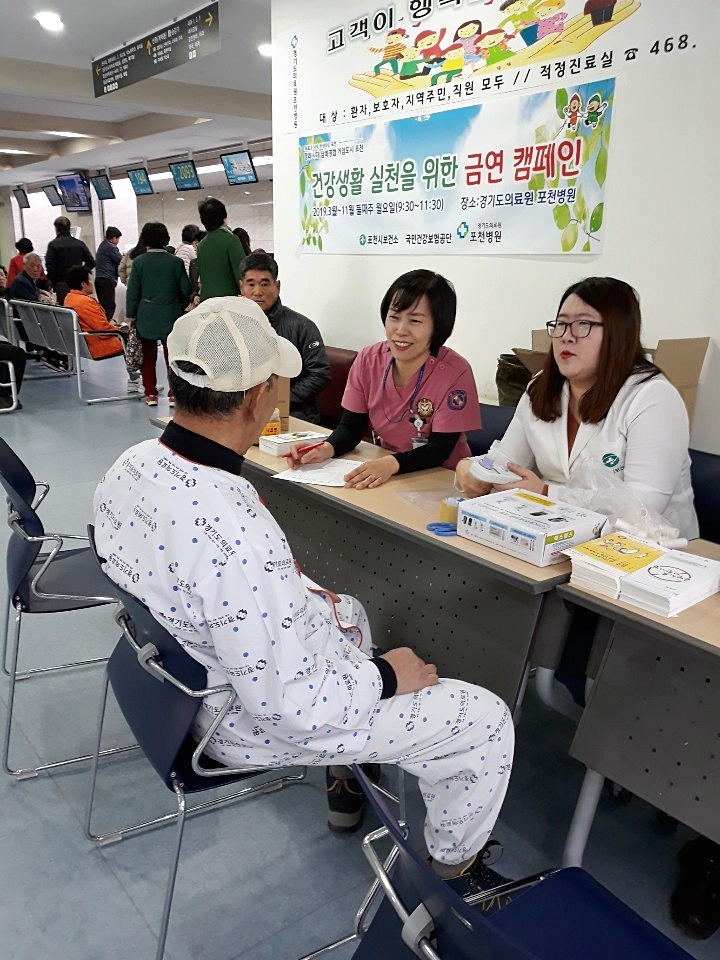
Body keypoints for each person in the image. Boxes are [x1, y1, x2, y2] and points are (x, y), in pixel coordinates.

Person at [93, 296, 514, 887]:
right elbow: (292, 705)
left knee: (352, 612)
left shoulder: (132, 464)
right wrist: (388, 676)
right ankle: (450, 879)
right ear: (255, 396)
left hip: (175, 682)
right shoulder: (237, 536)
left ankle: (348, 771)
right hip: (240, 721)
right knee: (487, 720)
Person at [454, 276, 698, 539]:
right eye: (561, 324)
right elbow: (506, 465)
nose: (566, 337)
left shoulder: (653, 397)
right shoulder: (542, 387)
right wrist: (472, 470)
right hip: (561, 538)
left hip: (650, 555)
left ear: (619, 333)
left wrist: (546, 494)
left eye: (583, 324)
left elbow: (642, 511)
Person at [290, 269, 480, 487]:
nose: (400, 330)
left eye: (415, 321)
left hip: (441, 480)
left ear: (438, 326)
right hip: (388, 472)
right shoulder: (368, 359)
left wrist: (391, 464)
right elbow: (351, 428)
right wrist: (326, 448)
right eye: (394, 317)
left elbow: (440, 450)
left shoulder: (456, 372)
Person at [239, 252, 330, 423]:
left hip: (295, 414)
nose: (257, 292)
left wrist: (281, 400)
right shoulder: (232, 326)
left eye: (265, 284)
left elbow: (319, 373)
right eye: (251, 284)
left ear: (277, 286)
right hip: (243, 415)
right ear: (241, 287)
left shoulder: (302, 327)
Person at [125, 222, 192, 407]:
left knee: (148, 357)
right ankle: (173, 395)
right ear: (166, 239)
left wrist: (131, 316)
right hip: (171, 315)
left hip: (145, 315)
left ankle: (151, 394)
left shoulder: (139, 263)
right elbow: (185, 290)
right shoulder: (175, 262)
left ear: (145, 240)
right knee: (173, 357)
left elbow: (133, 293)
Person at [63, 264, 139, 391]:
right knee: (133, 338)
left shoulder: (69, 298)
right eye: (90, 280)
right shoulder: (86, 302)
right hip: (95, 345)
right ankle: (136, 379)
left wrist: (116, 326)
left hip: (82, 343)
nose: (92, 283)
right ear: (83, 284)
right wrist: (120, 329)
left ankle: (135, 378)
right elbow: (103, 328)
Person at [196, 198, 244, 300]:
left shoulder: (201, 244)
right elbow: (242, 275)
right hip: (228, 301)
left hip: (206, 301)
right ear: (223, 217)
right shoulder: (231, 240)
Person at [45, 216, 95, 305]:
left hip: (61, 284)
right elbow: (91, 262)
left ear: (56, 229)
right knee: (80, 307)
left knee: (66, 310)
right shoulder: (79, 244)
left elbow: (50, 267)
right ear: (69, 228)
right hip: (79, 285)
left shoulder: (53, 245)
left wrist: (52, 284)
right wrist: (80, 273)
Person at [94, 226, 122, 320]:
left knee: (103, 307)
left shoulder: (102, 245)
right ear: (113, 237)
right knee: (110, 307)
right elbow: (120, 260)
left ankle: (104, 325)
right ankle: (105, 328)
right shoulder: (111, 247)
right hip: (107, 280)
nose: (118, 241)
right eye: (118, 238)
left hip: (99, 279)